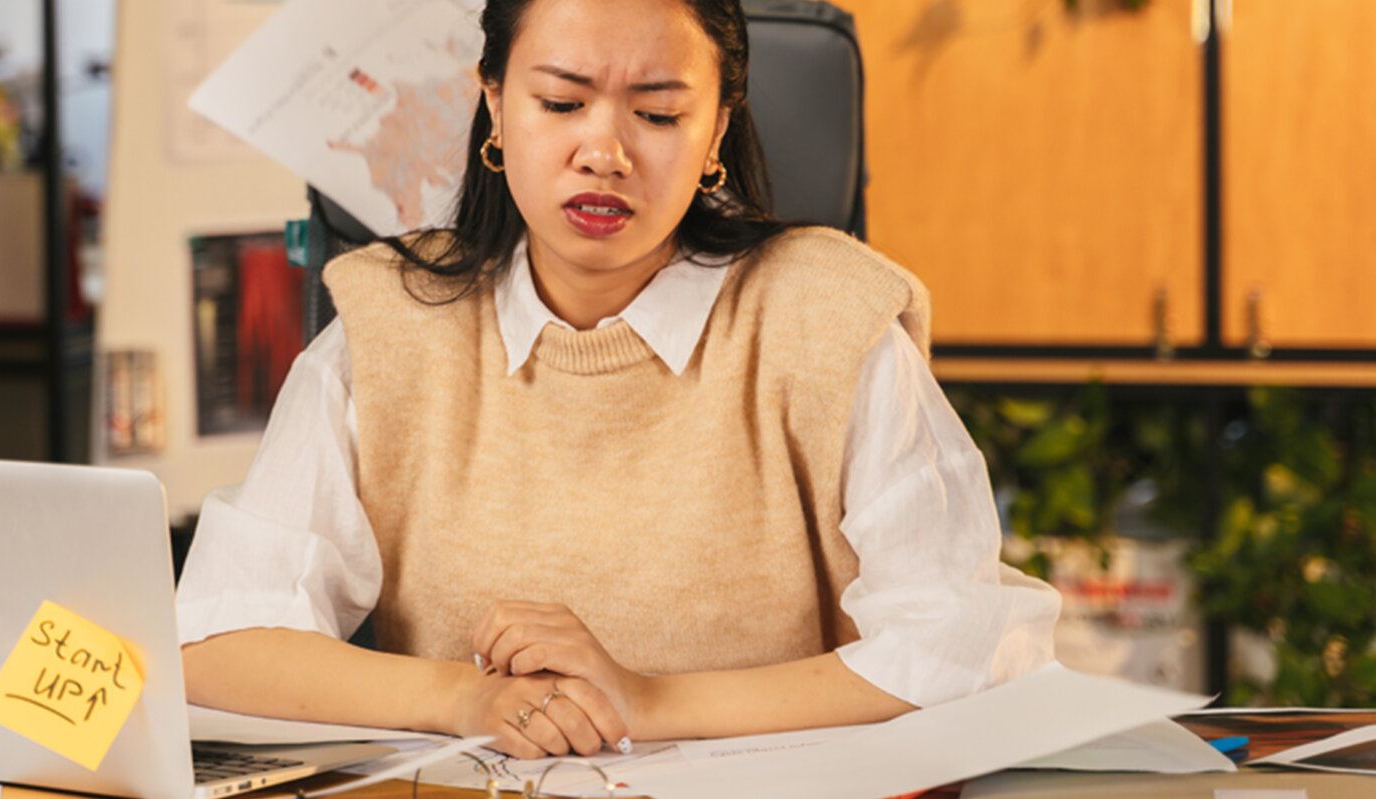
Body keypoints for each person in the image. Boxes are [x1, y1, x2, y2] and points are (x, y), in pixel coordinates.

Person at [175, 0, 1060, 760]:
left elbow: (966, 641)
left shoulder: (829, 319)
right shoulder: (390, 325)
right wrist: (466, 699)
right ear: (492, 102)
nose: (604, 152)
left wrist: (647, 702)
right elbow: (215, 641)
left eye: (659, 113)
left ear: (717, 127)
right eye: (560, 101)